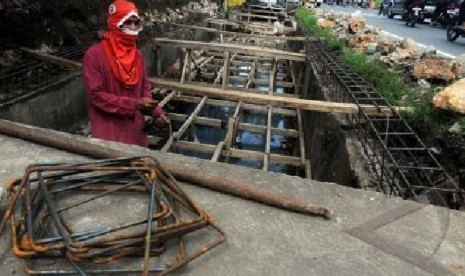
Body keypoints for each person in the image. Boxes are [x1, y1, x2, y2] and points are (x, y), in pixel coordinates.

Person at [82, 0, 168, 147]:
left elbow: (145, 89)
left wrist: (157, 112)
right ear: (116, 23)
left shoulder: (138, 56)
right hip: (108, 137)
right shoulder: (94, 55)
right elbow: (96, 96)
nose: (133, 27)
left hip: (136, 134)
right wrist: (134, 105)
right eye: (128, 22)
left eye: (136, 23)